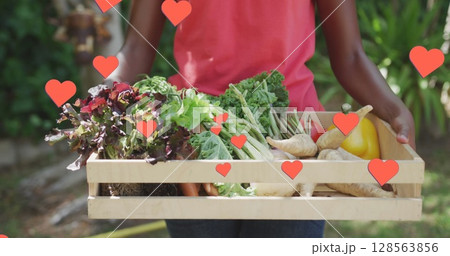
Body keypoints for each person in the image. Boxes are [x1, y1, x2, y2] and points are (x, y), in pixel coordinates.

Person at [105, 0, 416, 238]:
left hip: (293, 146)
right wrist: (103, 105)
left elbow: (350, 56)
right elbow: (136, 48)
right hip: (194, 144)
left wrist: (394, 110)